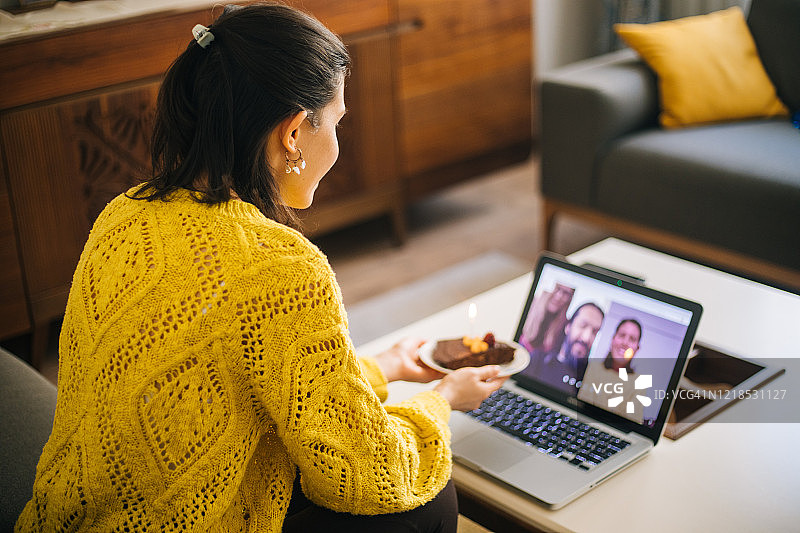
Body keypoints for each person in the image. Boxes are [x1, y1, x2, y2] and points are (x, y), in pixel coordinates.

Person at [15, 5, 506, 532]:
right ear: (294, 132)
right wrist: (442, 401)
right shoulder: (280, 267)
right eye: (337, 122)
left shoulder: (123, 214)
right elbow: (366, 473)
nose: (338, 145)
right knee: (428, 500)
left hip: (63, 518)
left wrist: (382, 366)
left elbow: (229, 385)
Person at [524, 302, 604, 394]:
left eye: (595, 332)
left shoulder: (592, 379)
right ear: (568, 327)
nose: (586, 337)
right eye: (583, 325)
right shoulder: (537, 360)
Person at [579, 319, 646, 423]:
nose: (625, 343)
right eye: (622, 335)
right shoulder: (591, 368)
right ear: (613, 339)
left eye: (632, 339)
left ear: (636, 349)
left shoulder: (639, 383)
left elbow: (632, 423)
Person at [518, 283, 575, 355]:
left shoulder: (565, 327)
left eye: (566, 293)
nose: (559, 296)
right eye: (558, 288)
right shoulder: (529, 305)